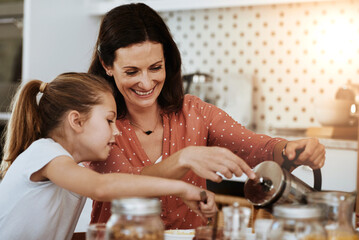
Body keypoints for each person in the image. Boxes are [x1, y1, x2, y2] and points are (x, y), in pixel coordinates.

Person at [88, 3, 326, 229]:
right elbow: (122, 183)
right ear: (107, 65)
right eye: (132, 71)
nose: (146, 82)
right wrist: (184, 158)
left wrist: (289, 149)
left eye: (155, 68)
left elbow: (255, 148)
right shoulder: (99, 123)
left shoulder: (194, 113)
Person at [0, 72, 216, 240]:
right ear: (76, 121)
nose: (116, 131)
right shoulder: (44, 151)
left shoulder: (71, 170)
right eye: (109, 120)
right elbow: (101, 186)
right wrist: (183, 188)